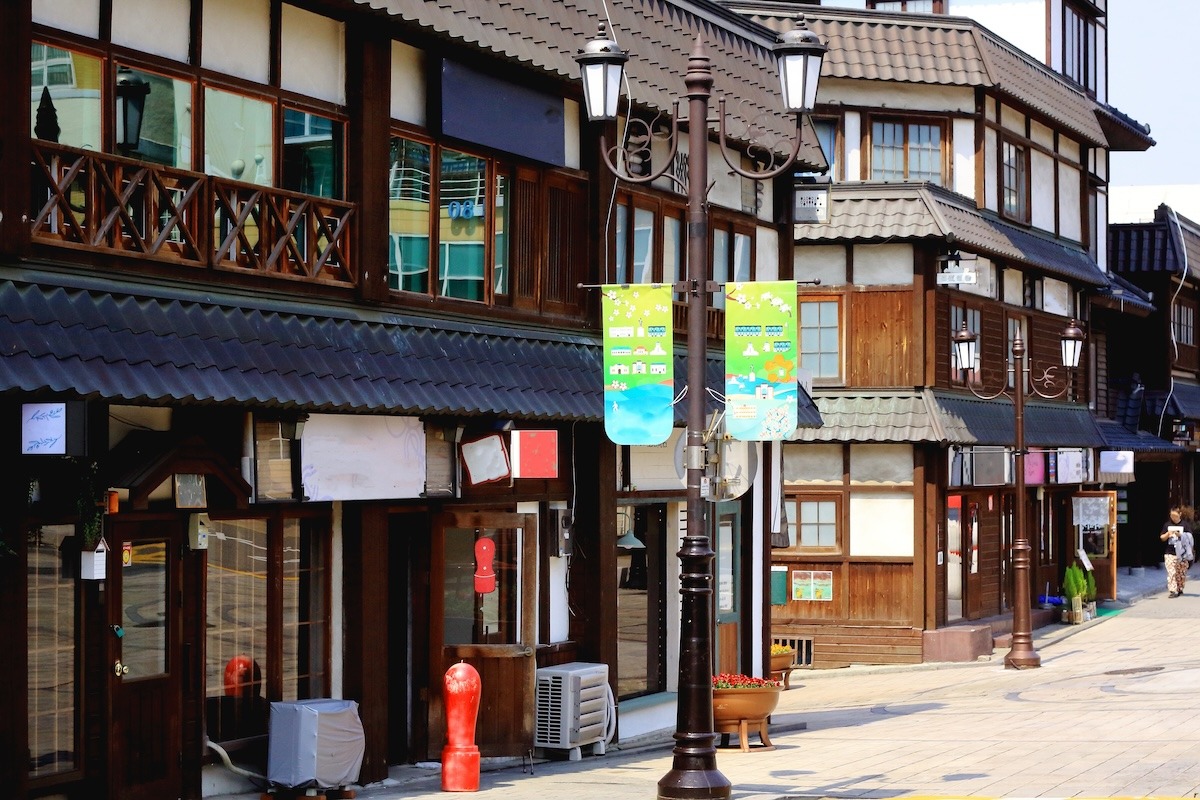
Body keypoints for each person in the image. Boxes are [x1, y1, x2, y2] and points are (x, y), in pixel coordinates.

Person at [1159, 506, 1194, 598]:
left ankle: (1180, 588)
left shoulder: (1185, 525)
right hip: (1170, 552)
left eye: (1175, 516)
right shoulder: (1167, 525)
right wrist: (1167, 534)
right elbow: (1162, 537)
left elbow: (1190, 538)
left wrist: (1181, 535)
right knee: (1171, 572)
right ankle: (1173, 590)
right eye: (1171, 516)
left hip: (1182, 553)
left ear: (1180, 514)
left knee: (1181, 573)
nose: (1173, 518)